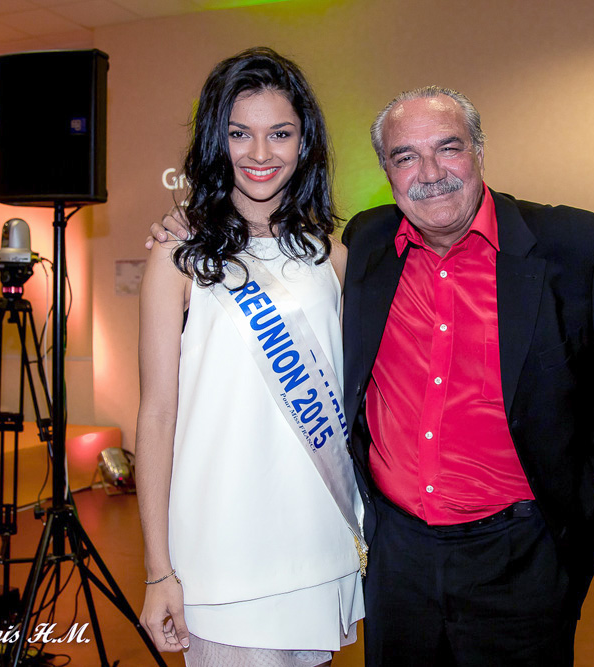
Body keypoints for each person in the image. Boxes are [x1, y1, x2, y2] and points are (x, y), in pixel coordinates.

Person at [151, 85, 594, 666]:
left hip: (519, 554)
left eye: (448, 148)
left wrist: (563, 458)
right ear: (387, 171)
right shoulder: (366, 245)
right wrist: (187, 222)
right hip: (397, 558)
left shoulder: (576, 246)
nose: (430, 173)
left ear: (479, 149)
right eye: (405, 156)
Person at [135, 47, 363, 667]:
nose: (260, 154)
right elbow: (156, 414)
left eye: (280, 134)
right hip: (222, 552)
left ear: (305, 142)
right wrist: (159, 570)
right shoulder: (178, 256)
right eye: (240, 134)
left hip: (316, 543)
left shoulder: (332, 256)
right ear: (217, 139)